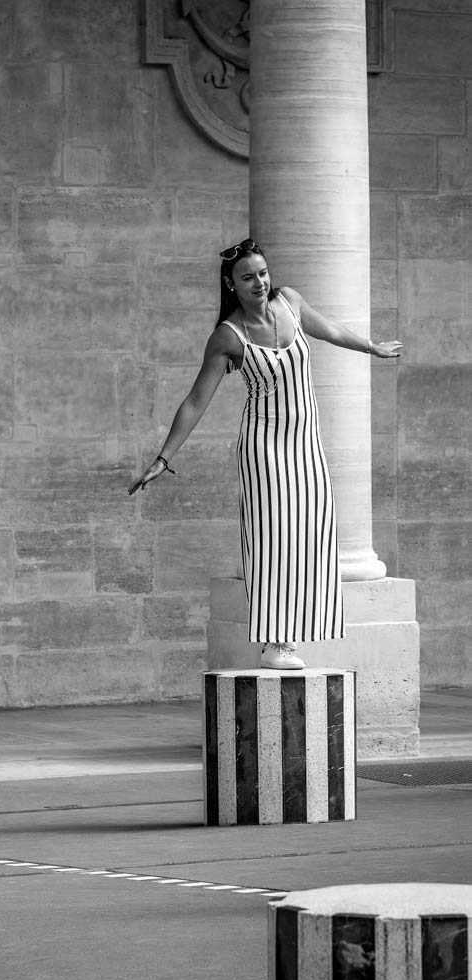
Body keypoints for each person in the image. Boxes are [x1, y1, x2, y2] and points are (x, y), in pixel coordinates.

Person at [128, 238, 402, 669]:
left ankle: (296, 632)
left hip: (306, 444)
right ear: (230, 284)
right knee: (272, 539)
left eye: (262, 273)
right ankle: (275, 642)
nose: (259, 282)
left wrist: (372, 347)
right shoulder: (228, 336)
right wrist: (163, 458)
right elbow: (196, 401)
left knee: (313, 534)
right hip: (263, 447)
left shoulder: (289, 302)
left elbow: (329, 329)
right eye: (248, 277)